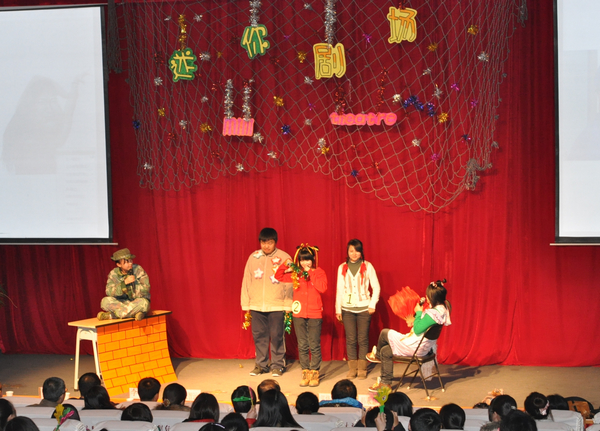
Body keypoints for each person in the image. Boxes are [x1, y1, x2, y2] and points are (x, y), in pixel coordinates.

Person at [367, 280, 451, 391]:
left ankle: (377, 355)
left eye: (427, 295)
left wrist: (419, 312)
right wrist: (416, 319)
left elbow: (417, 330)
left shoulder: (432, 314)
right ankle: (385, 383)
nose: (426, 297)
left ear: (432, 297)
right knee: (386, 351)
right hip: (424, 347)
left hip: (416, 348)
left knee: (384, 332)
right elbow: (423, 326)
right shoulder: (443, 308)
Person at [241, 228, 293, 377]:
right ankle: (261, 365)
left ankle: (278, 365)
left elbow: (290, 282)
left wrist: (288, 304)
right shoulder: (253, 257)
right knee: (259, 336)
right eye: (263, 242)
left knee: (277, 335)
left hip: (277, 304)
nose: (266, 246)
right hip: (256, 304)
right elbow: (246, 280)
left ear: (275, 242)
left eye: (269, 242)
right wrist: (246, 304)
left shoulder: (284, 257)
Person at [275, 244, 327, 387]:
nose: (305, 263)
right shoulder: (296, 274)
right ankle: (305, 371)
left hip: (315, 313)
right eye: (303, 260)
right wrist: (285, 265)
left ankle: (315, 372)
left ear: (313, 260)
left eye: (308, 259)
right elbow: (278, 276)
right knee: (302, 344)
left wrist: (310, 273)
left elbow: (322, 288)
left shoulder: (319, 272)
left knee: (314, 344)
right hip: (298, 313)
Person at [336, 239, 381, 379]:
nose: (354, 254)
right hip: (347, 309)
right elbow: (339, 290)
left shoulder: (368, 266)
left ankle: (362, 368)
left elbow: (376, 287)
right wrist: (338, 309)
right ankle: (352, 368)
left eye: (357, 251)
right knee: (350, 339)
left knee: (362, 338)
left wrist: (372, 304)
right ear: (347, 252)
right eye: (351, 251)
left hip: (364, 308)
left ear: (361, 252)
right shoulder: (342, 267)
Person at [98, 248, 150, 321]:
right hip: (121, 303)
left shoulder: (138, 269)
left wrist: (133, 286)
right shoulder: (113, 274)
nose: (130, 263)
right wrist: (124, 284)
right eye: (126, 262)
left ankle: (113, 315)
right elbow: (109, 291)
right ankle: (133, 314)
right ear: (118, 264)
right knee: (105, 301)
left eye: (131, 260)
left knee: (144, 303)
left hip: (136, 301)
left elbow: (146, 289)